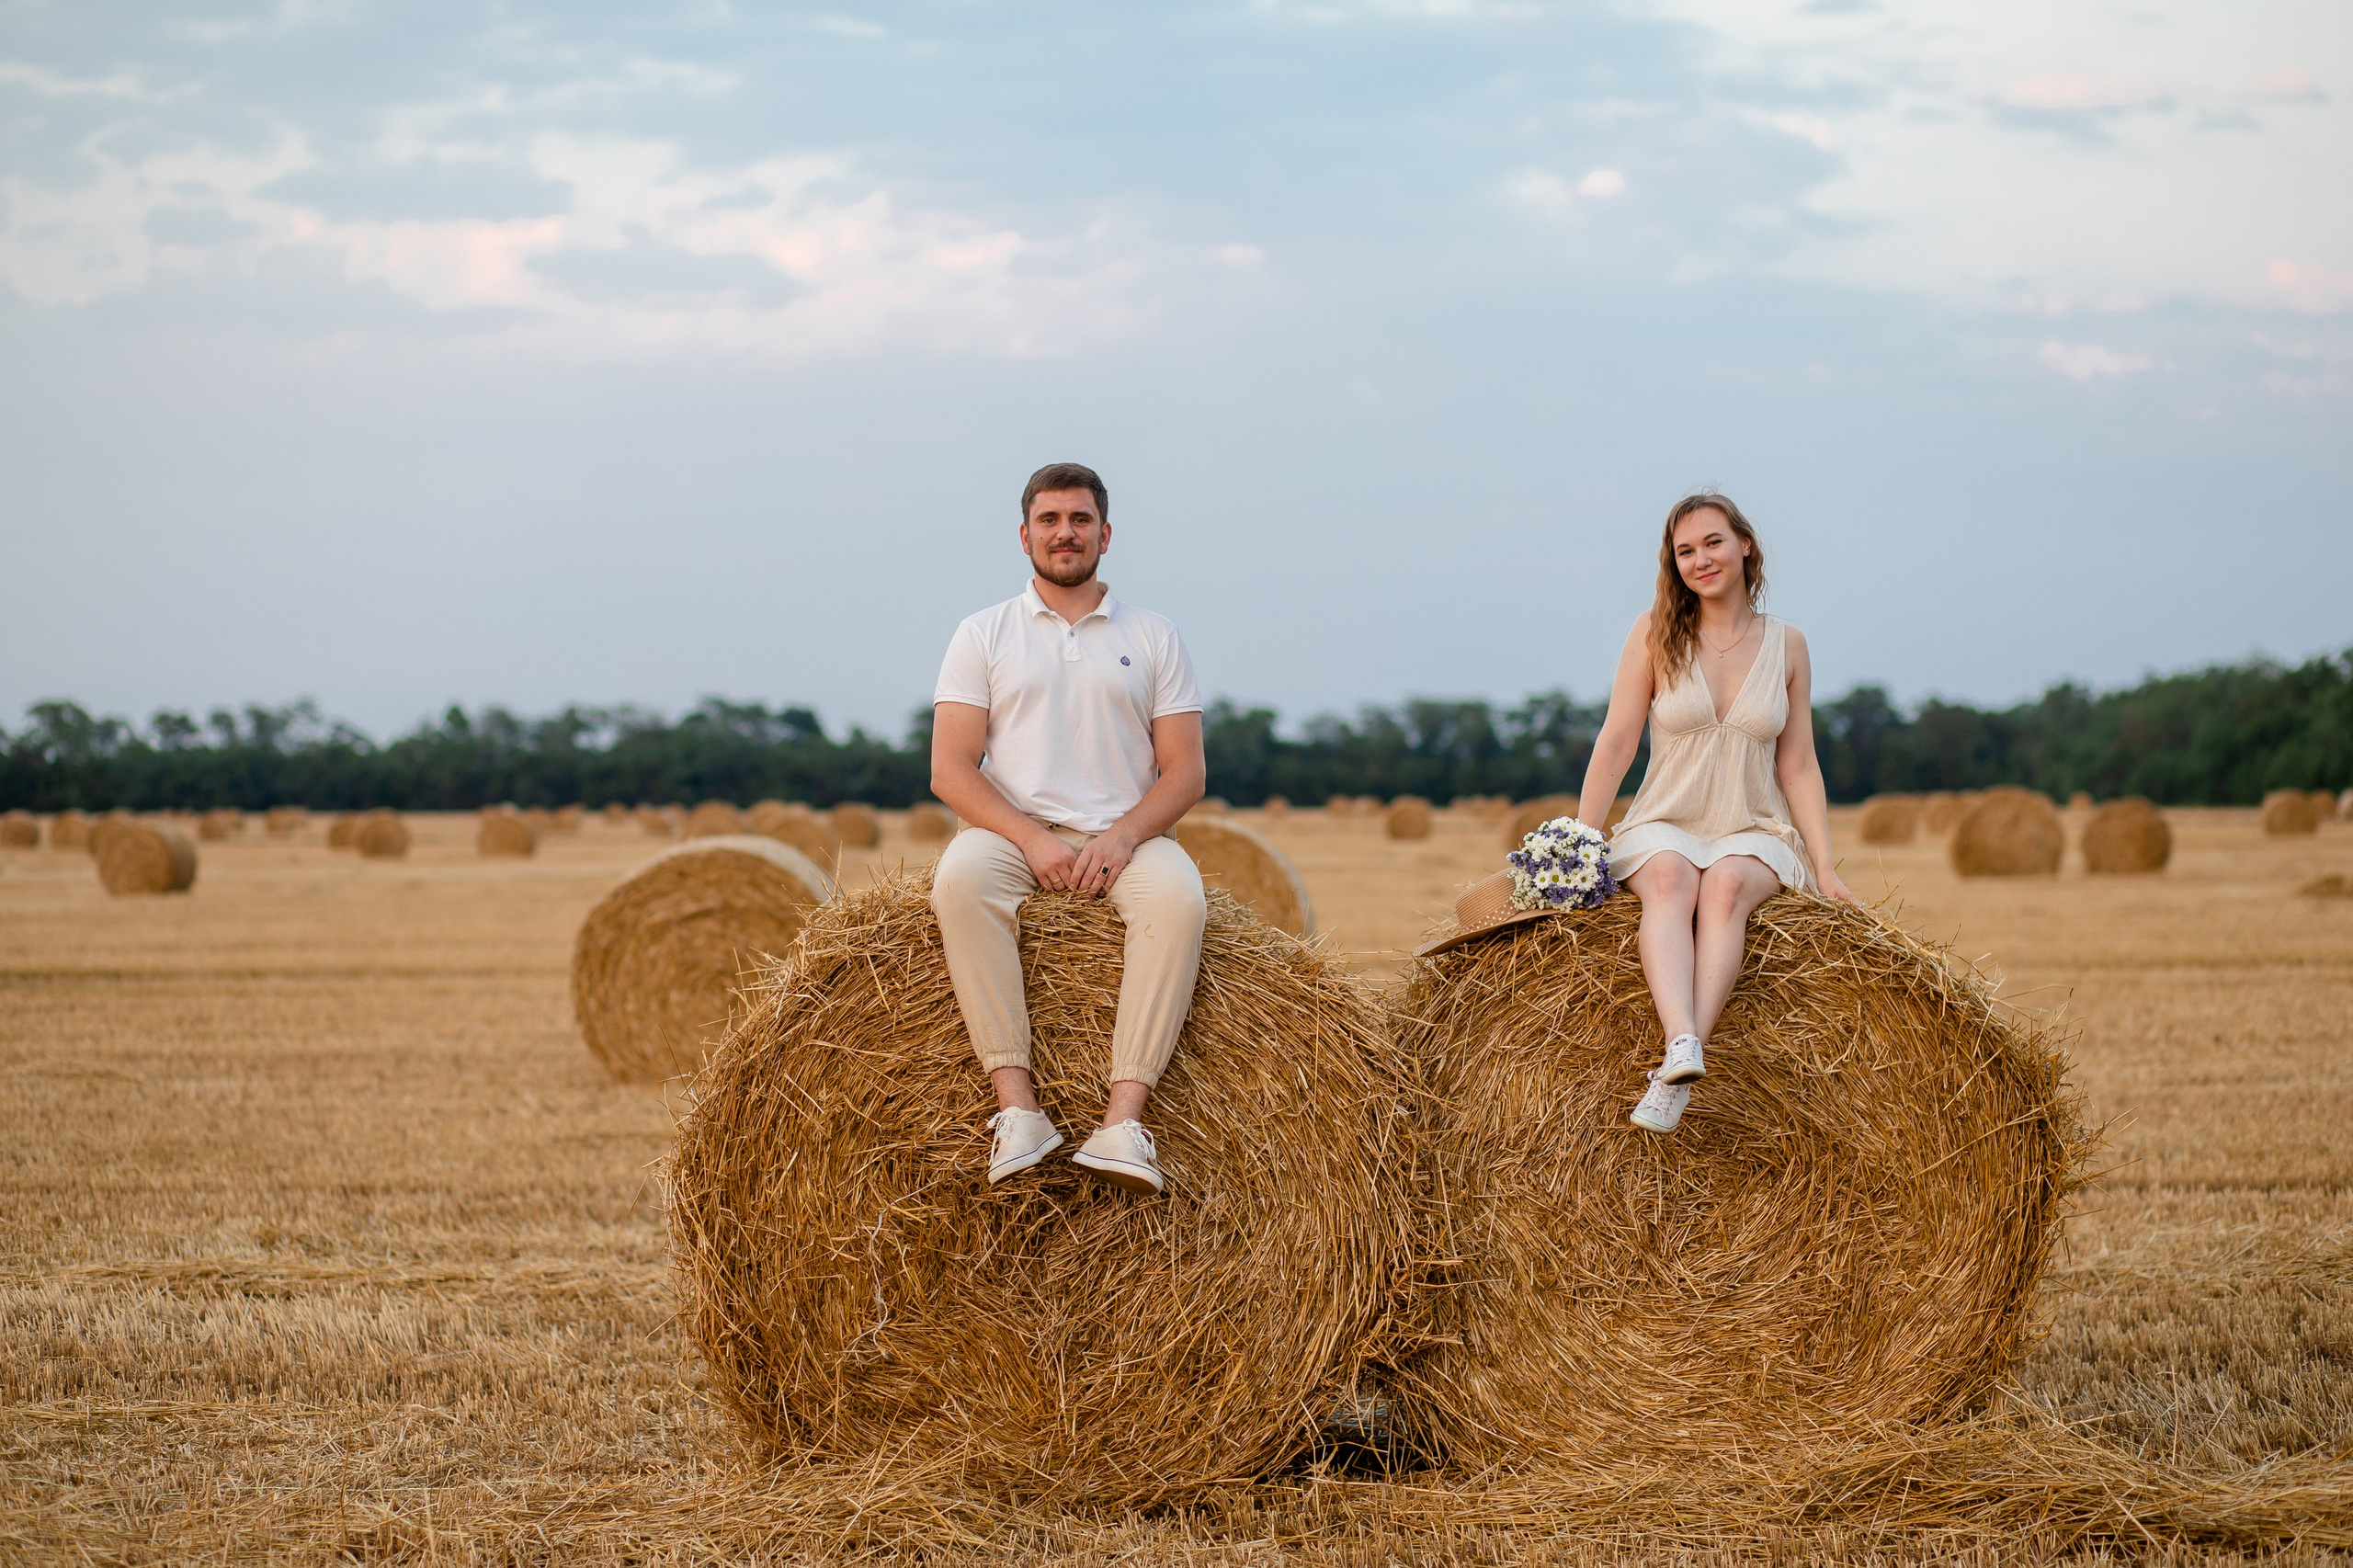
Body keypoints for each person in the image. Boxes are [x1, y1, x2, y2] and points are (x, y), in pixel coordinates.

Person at [928, 461, 1209, 1195]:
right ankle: (1017, 1109)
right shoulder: (982, 633)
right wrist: (1030, 838)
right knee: (959, 882)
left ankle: (1123, 1123)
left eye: (1080, 520)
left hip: (1130, 836)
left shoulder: (1155, 635)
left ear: (1105, 535)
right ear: (1024, 536)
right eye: (1049, 520)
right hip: (1011, 834)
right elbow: (950, 770)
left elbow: (1185, 772)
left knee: (1180, 902)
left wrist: (1122, 837)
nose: (1065, 533)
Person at [1576, 491, 1858, 1134]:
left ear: (1745, 545)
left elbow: (1798, 764)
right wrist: (1583, 836)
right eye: (1685, 551)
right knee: (1670, 879)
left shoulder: (1788, 646)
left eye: (1712, 543)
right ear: (1673, 565)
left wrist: (1825, 867)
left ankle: (1674, 1070)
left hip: (1753, 826)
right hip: (1664, 819)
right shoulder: (1655, 632)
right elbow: (1617, 739)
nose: (1700, 560)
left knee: (1727, 887)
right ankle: (1681, 1042)